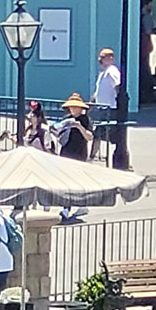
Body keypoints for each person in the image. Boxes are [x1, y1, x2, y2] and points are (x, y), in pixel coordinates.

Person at [57, 94, 94, 224]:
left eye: (75, 107)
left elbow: (89, 137)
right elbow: (58, 133)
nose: (73, 110)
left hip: (79, 153)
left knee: (76, 181)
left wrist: (79, 127)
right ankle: (66, 207)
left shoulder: (85, 120)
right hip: (66, 152)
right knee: (66, 181)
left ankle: (78, 205)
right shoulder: (66, 119)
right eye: (71, 107)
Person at [90, 48, 120, 161]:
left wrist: (120, 104)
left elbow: (117, 86)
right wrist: (90, 105)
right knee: (98, 134)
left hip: (110, 109)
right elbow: (97, 92)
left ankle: (94, 157)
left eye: (103, 57)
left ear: (110, 58)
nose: (100, 60)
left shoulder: (112, 71)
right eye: (100, 57)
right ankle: (93, 156)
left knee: (105, 134)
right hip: (102, 108)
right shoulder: (103, 73)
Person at [139, 0, 156, 103]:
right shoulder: (146, 17)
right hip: (145, 44)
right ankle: (147, 93)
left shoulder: (138, 16)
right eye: (150, 4)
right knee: (145, 69)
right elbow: (149, 31)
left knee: (143, 68)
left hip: (141, 45)